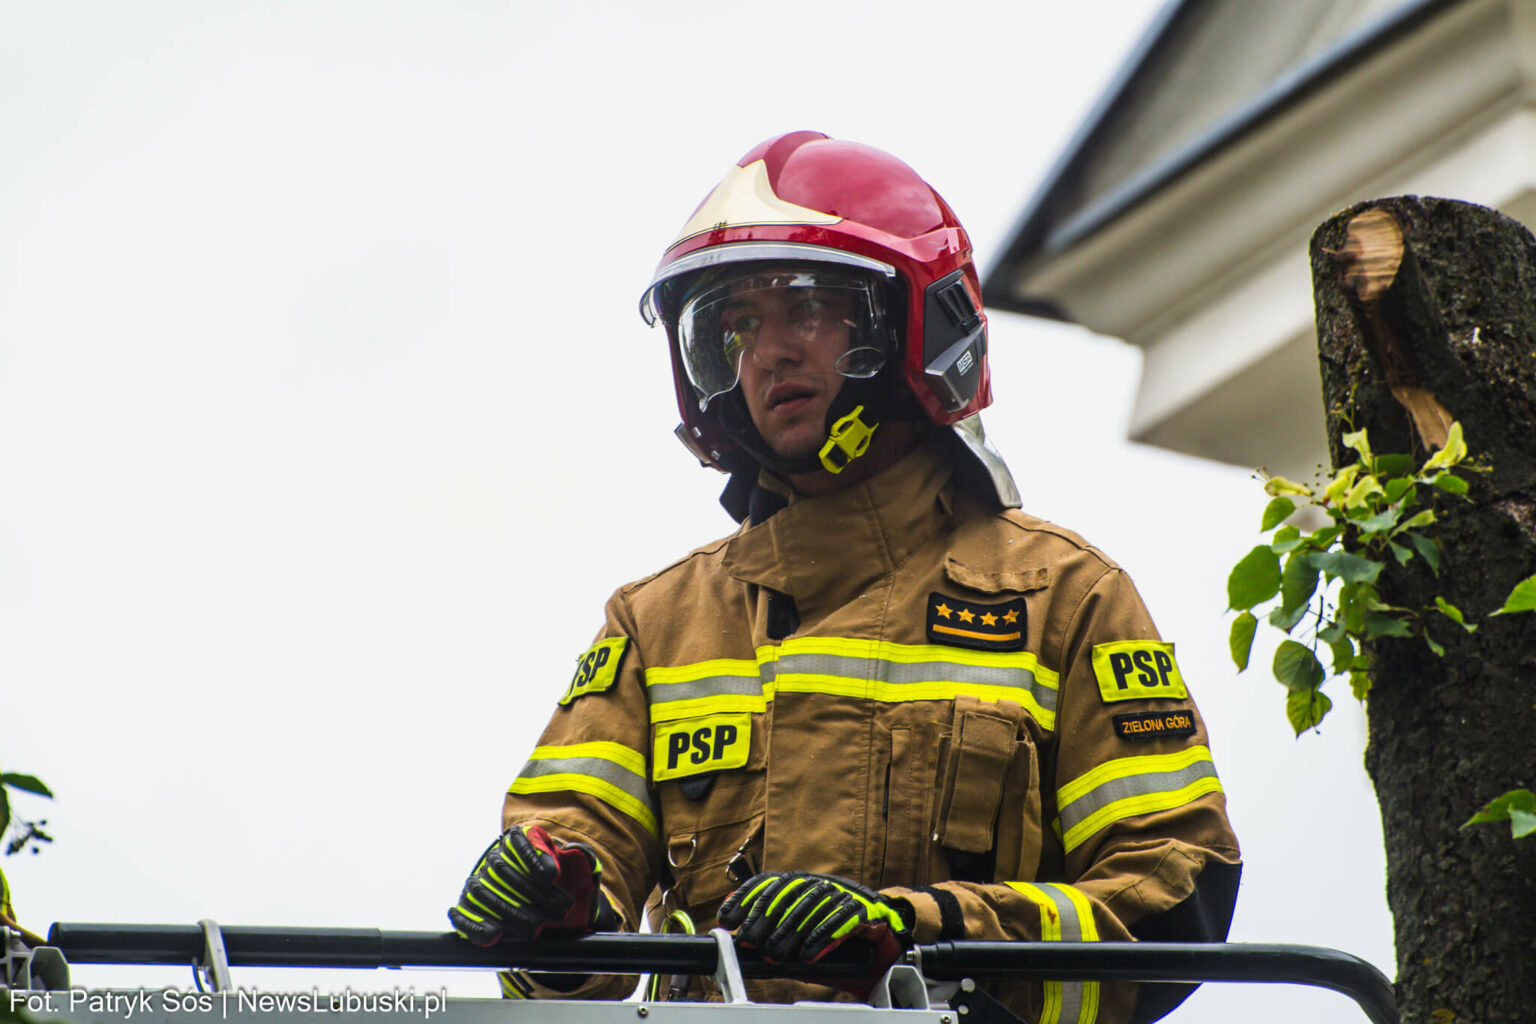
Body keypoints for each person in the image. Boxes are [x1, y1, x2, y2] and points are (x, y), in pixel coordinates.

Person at [447, 130, 1241, 1024]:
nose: (766, 353)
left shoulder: (1064, 596)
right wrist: (549, 909)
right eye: (736, 326)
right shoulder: (658, 623)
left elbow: (1177, 899)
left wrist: (926, 935)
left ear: (916, 321)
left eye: (806, 309)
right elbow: (578, 881)